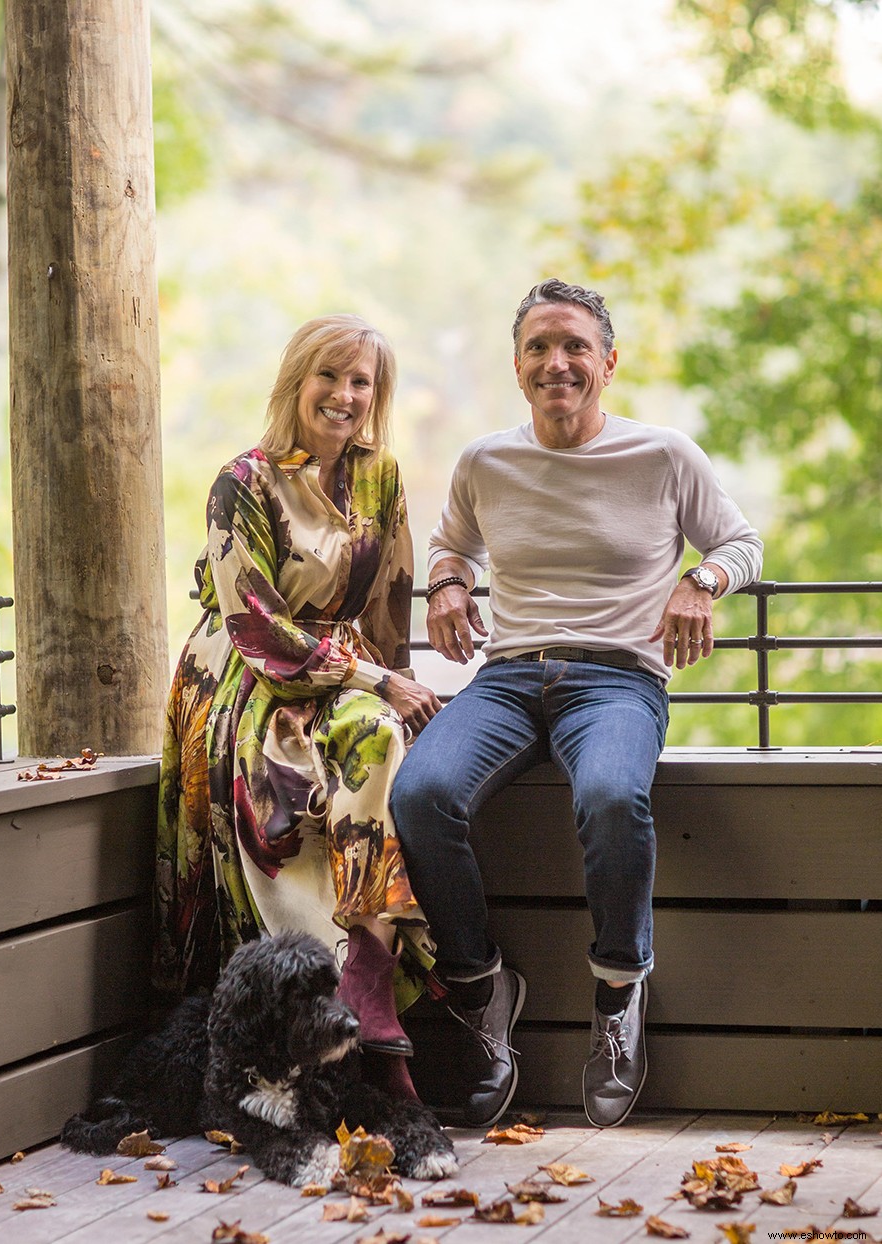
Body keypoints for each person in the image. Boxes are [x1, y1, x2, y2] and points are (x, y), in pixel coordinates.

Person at [390, 278, 763, 1129]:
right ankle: (482, 987)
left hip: (618, 680)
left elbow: (741, 541)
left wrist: (701, 581)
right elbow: (451, 542)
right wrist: (449, 583)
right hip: (509, 678)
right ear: (518, 366)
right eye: (538, 349)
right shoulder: (487, 460)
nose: (557, 363)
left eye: (575, 348)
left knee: (609, 797)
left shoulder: (664, 454)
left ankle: (618, 995)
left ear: (608, 363)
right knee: (420, 793)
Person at [154, 313, 442, 1100]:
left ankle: (368, 979)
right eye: (330, 376)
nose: (345, 395)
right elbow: (254, 624)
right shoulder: (241, 481)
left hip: (347, 675)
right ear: (297, 381)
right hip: (253, 678)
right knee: (288, 801)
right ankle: (355, 1045)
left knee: (385, 740)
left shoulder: (378, 476)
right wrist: (377, 682)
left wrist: (399, 681)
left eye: (361, 382)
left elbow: (390, 598)